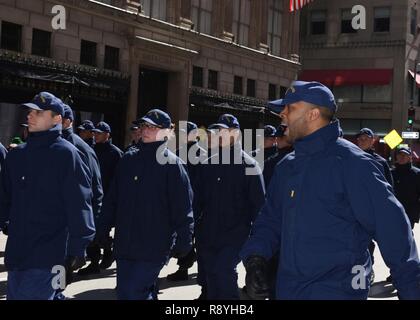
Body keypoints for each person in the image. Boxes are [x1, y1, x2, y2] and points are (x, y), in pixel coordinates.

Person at [240, 81, 420, 300]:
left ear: (313, 114)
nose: (283, 114)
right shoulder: (287, 167)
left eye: (290, 108)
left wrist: (411, 290)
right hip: (289, 290)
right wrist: (256, 258)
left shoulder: (353, 164)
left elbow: (392, 230)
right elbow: (270, 220)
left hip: (338, 291)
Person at [0, 92, 95, 300]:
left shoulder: (67, 155)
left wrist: (77, 250)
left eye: (39, 112)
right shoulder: (17, 155)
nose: (30, 116)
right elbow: (4, 199)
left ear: (57, 119)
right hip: (17, 254)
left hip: (49, 256)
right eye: (30, 111)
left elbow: (80, 205)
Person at [97, 109, 194, 300]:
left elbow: (182, 206)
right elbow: (112, 199)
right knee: (126, 293)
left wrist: (185, 239)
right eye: (144, 126)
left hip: (153, 247)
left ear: (166, 132)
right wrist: (102, 228)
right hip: (124, 244)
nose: (146, 130)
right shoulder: (128, 159)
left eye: (153, 126)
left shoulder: (173, 165)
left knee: (134, 293)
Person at [194, 114, 265, 300]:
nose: (217, 134)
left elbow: (259, 207)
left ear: (235, 134)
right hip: (208, 234)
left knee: (224, 273)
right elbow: (197, 200)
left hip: (235, 235)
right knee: (211, 277)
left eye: (222, 131)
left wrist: (257, 242)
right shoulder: (208, 164)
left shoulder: (249, 166)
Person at [61, 105, 104, 277]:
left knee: (58, 275)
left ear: (65, 121)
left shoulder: (81, 149)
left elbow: (95, 189)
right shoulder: (44, 146)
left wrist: (92, 226)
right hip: (46, 226)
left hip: (69, 226)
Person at [166, 121, 205, 282]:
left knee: (189, 233)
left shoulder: (199, 153)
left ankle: (185, 266)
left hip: (194, 199)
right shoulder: (181, 152)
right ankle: (186, 262)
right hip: (188, 199)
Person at [355, 127, 394, 284]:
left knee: (373, 243)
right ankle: (362, 274)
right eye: (360, 138)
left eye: (366, 138)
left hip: (374, 210)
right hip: (354, 209)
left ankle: (368, 271)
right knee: (360, 242)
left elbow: (389, 188)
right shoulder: (350, 159)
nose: (362, 140)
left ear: (373, 141)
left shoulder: (380, 162)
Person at [89, 121, 123, 271]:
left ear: (107, 135)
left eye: (99, 133)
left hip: (108, 198)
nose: (96, 136)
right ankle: (94, 261)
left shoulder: (115, 153)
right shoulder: (91, 150)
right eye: (95, 133)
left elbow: (119, 178)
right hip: (92, 197)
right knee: (92, 231)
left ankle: (109, 251)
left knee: (102, 230)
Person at [391, 147, 420, 230]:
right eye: (399, 154)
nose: (402, 157)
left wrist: (416, 211)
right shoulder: (391, 173)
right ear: (396, 157)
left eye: (405, 155)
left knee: (407, 236)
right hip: (393, 211)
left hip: (410, 212)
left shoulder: (417, 174)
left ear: (410, 157)